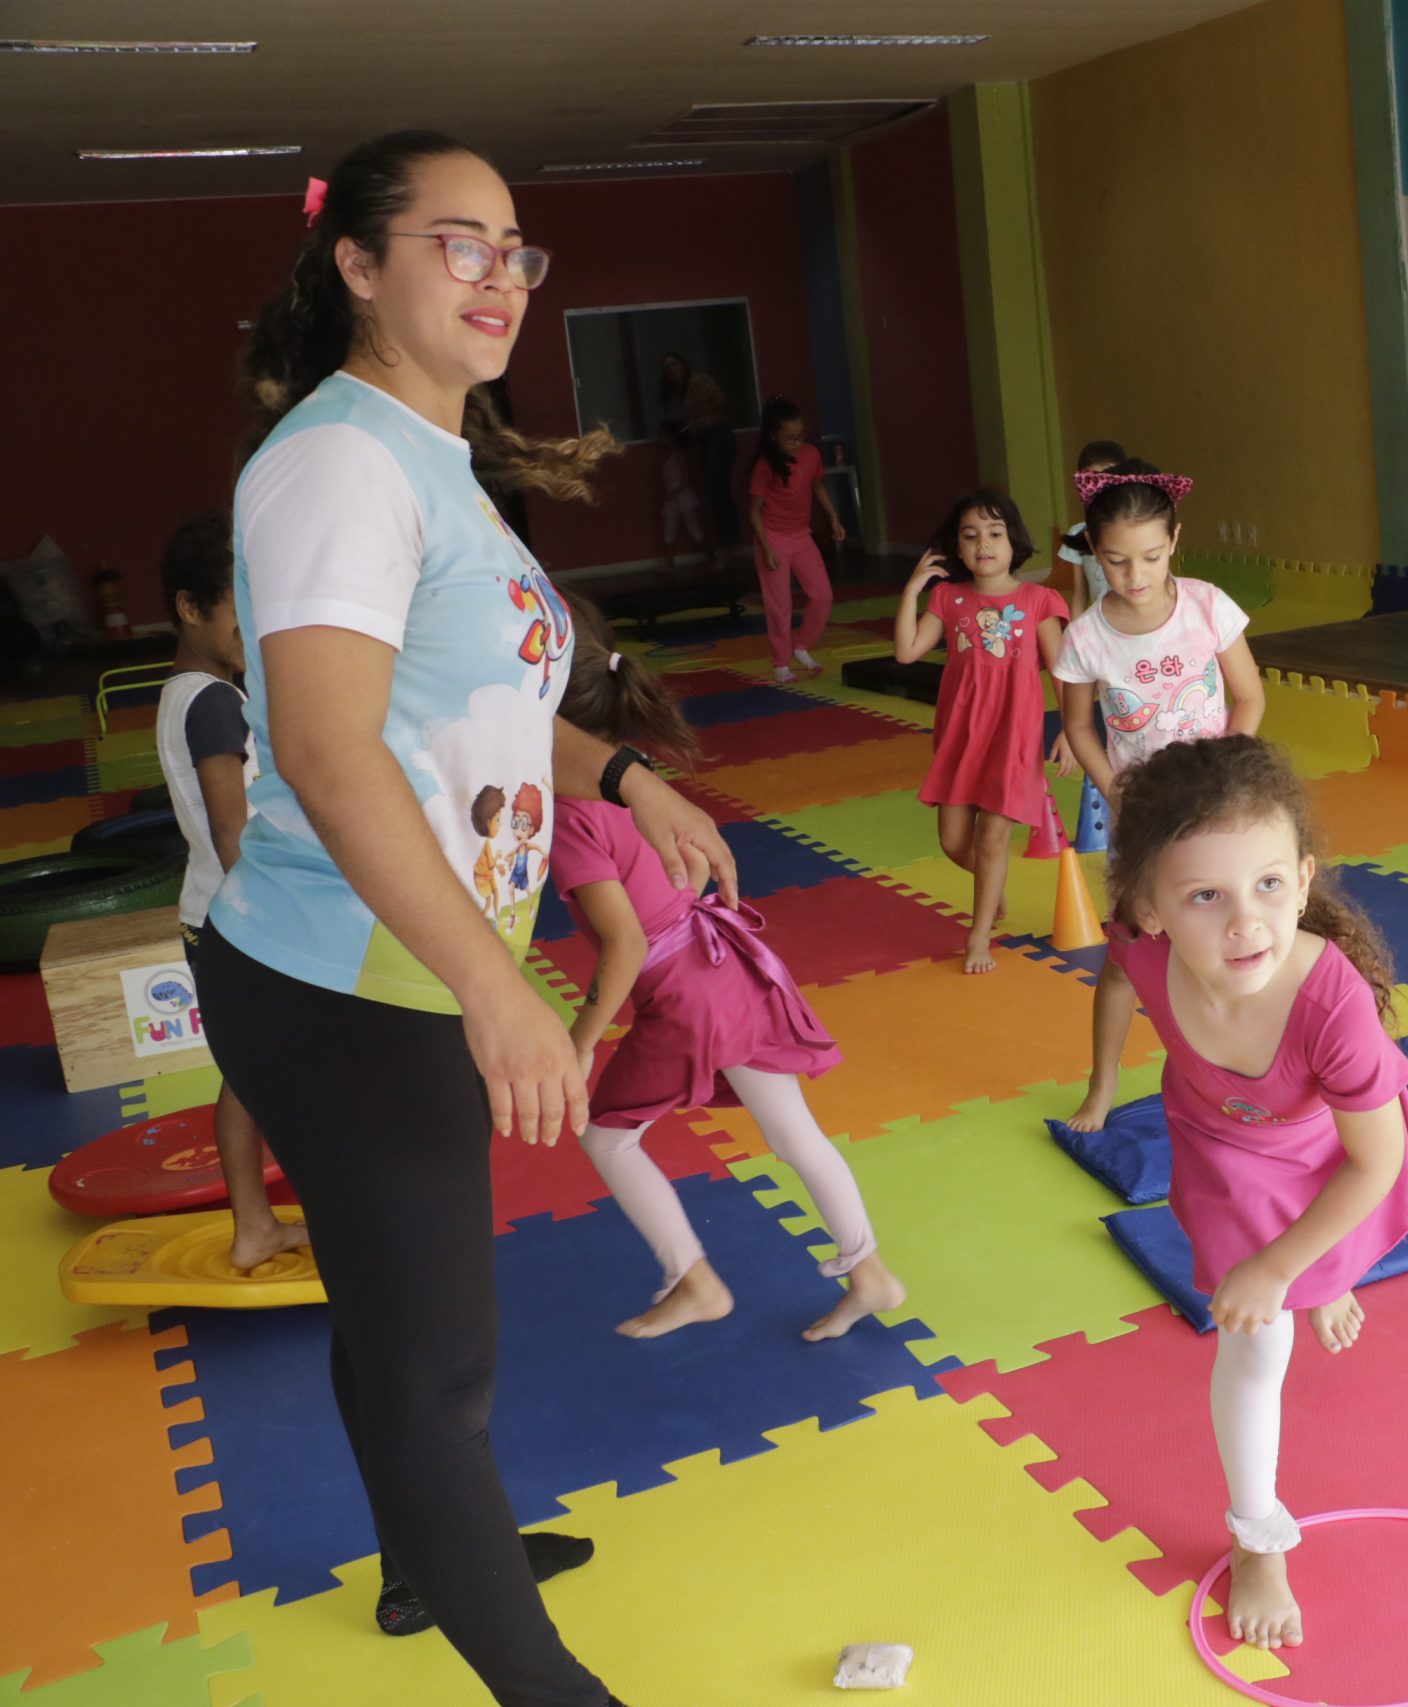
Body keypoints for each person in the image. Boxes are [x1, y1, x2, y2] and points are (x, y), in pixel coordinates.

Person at [212, 129, 735, 1707]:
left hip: (396, 964)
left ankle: (427, 1565)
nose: (499, 277)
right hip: (351, 982)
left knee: (395, 1331)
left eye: (517, 249)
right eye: (460, 242)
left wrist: (628, 771)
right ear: (356, 264)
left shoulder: (432, 454)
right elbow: (321, 742)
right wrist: (493, 990)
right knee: (443, 1370)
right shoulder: (337, 463)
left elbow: (482, 698)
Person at [1104, 734, 1408, 1651]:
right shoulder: (1139, 949)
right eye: (1206, 896)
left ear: (1304, 874)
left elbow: (1370, 1166)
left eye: (1269, 886)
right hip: (1219, 1144)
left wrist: (1280, 1266)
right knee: (1257, 1331)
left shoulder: (1330, 1004)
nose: (1246, 923)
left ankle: (1257, 1537)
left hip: (1328, 1153)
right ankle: (1260, 1527)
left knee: (1255, 1331)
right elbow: (1114, 980)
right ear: (1148, 907)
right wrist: (1096, 1081)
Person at [549, 594, 903, 1343]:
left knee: (608, 1136)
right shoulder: (636, 774)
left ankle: (694, 1281)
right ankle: (869, 1271)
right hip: (735, 962)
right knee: (795, 1134)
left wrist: (580, 1036)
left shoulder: (575, 810)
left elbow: (626, 945)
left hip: (688, 987)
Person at [1053, 465, 1264, 1130]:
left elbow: (1250, 695)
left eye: (1149, 556)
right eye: (1115, 561)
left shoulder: (1207, 605)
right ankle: (1103, 1081)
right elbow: (1078, 725)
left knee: (1235, 947)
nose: (1134, 575)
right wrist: (1114, 787)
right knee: (1128, 955)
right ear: (1093, 548)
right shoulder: (1087, 635)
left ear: (1175, 540)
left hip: (1216, 806)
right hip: (1145, 817)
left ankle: (1241, 1074)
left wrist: (1227, 766)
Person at [153, 513, 308, 1274]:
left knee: (250, 1072)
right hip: (240, 919)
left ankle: (257, 1224)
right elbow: (230, 829)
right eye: (238, 610)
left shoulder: (191, 691)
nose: (255, 629)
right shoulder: (213, 701)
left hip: (216, 915)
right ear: (191, 608)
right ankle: (263, 1222)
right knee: (271, 1071)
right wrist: (287, 916)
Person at [893, 488, 1069, 974]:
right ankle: (993, 888)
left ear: (1015, 541)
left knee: (992, 839)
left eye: (994, 533)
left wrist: (1070, 732)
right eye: (970, 536)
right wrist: (911, 590)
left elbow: (1062, 674)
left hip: (1013, 738)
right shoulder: (947, 598)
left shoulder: (1039, 600)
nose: (983, 544)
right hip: (959, 739)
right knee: (954, 841)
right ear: (957, 547)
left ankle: (977, 937)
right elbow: (907, 651)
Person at [744, 397, 844, 683]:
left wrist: (834, 517)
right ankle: (780, 663)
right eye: (789, 438)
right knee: (779, 605)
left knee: (823, 595)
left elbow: (817, 486)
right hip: (772, 537)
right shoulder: (765, 466)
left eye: (800, 436)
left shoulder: (811, 455)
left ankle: (801, 645)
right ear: (773, 436)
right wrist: (766, 548)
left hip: (801, 536)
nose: (797, 442)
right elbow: (754, 512)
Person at [660, 352, 736, 570]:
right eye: (667, 367)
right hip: (705, 439)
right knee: (718, 493)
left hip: (717, 435)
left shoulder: (698, 381)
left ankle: (726, 548)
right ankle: (730, 546)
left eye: (674, 364)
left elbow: (721, 400)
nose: (671, 369)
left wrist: (697, 415)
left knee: (718, 493)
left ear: (683, 364)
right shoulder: (679, 393)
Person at [1056, 437, 1126, 618]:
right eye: (1092, 482)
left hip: (1133, 625)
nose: (1100, 490)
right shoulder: (1078, 533)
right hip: (1100, 629)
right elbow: (1080, 593)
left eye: (1108, 482)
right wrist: (1073, 635)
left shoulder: (1133, 530)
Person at [655, 419, 705, 571]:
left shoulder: (678, 455)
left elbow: (686, 478)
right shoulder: (667, 456)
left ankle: (711, 558)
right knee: (668, 531)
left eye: (662, 435)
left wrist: (674, 493)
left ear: (671, 437)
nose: (659, 438)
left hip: (682, 497)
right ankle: (669, 564)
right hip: (672, 498)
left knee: (694, 530)